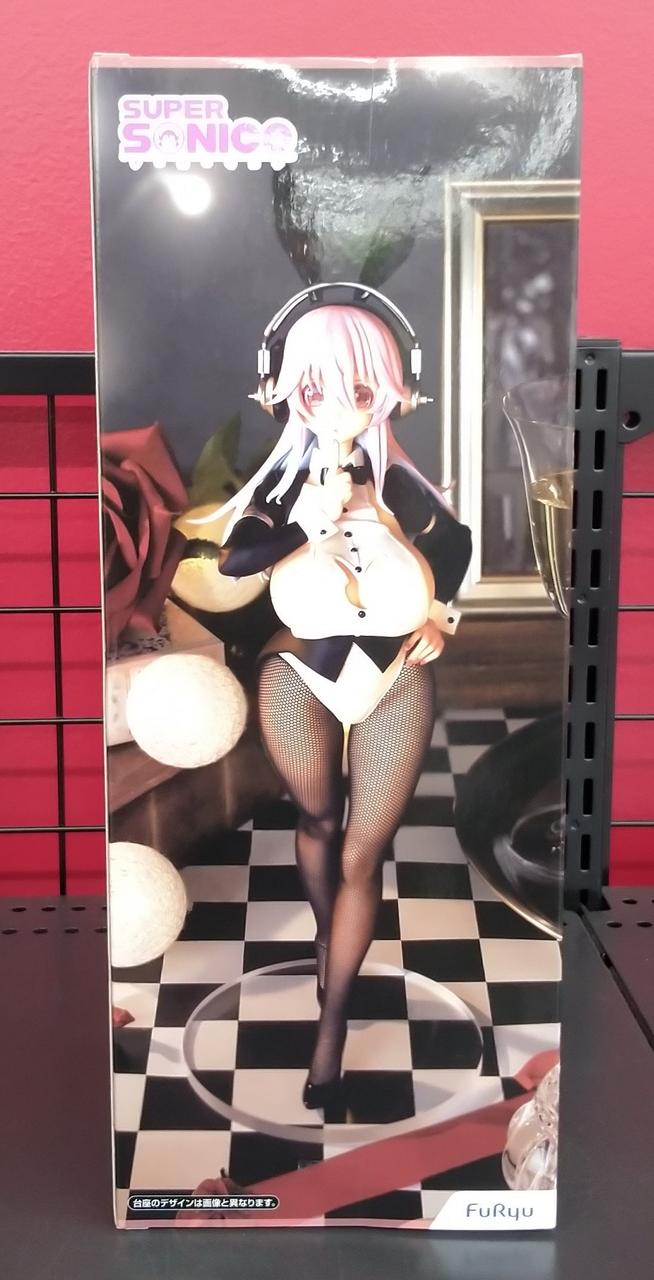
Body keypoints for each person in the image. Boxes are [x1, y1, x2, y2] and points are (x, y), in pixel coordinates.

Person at [197, 300, 472, 1109]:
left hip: (396, 676)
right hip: (300, 674)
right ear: (285, 388)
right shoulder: (283, 483)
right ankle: (329, 938)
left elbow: (455, 544)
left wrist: (439, 616)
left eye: (357, 388)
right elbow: (236, 557)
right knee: (318, 821)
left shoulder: (400, 484)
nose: (336, 406)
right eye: (315, 388)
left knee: (362, 853)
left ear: (389, 389)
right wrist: (304, 525)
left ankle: (334, 1022)